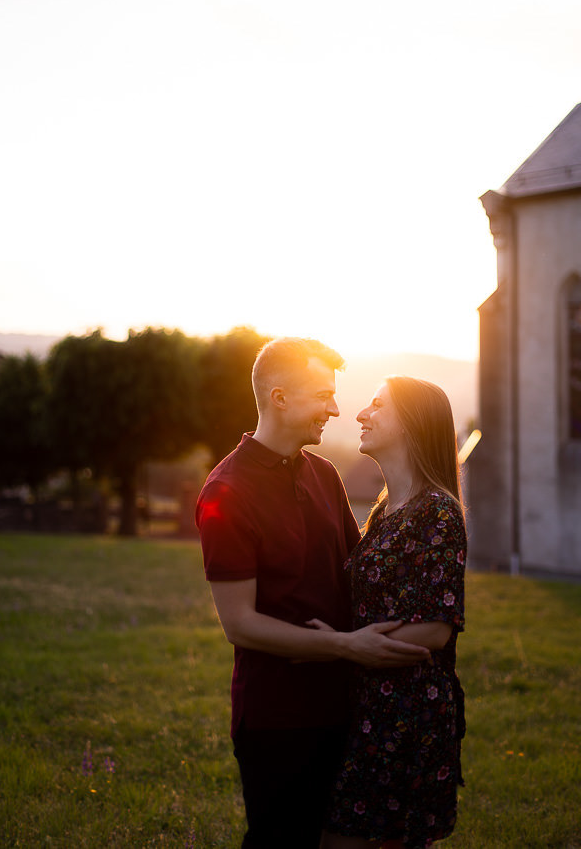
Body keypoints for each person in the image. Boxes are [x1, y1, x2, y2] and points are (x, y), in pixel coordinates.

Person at [195, 339, 429, 849]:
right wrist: (346, 646)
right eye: (323, 395)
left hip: (348, 707)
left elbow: (359, 572)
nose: (336, 409)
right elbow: (240, 624)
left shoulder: (324, 474)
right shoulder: (226, 492)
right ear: (280, 398)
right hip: (278, 720)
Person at [314, 376, 467, 849]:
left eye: (377, 405)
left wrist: (342, 648)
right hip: (367, 707)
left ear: (411, 423)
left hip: (406, 716)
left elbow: (435, 630)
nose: (360, 414)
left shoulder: (437, 512)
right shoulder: (385, 511)